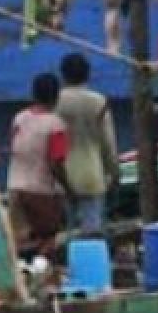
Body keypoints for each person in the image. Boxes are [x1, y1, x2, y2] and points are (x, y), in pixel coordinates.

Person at [8, 73, 72, 257]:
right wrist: (69, 188)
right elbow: (56, 163)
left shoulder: (19, 118)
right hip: (42, 191)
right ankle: (40, 274)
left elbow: (15, 146)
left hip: (15, 186)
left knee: (18, 241)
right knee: (48, 240)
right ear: (56, 96)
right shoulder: (56, 125)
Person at [56, 53, 118, 234]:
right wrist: (114, 173)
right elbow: (108, 143)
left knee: (66, 236)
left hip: (61, 176)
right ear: (88, 74)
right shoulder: (98, 102)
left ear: (63, 74)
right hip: (92, 175)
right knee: (92, 235)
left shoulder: (55, 102)